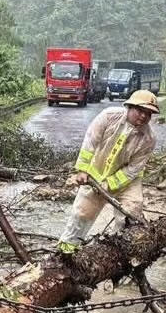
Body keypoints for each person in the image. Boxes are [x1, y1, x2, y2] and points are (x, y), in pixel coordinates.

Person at [57, 90, 158, 252]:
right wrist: (82, 170)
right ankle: (65, 252)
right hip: (95, 175)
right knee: (81, 215)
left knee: (131, 213)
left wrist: (110, 184)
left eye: (149, 113)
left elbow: (133, 169)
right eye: (140, 110)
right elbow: (90, 141)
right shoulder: (109, 116)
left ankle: (118, 252)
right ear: (130, 107)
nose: (144, 116)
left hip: (127, 182)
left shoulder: (149, 139)